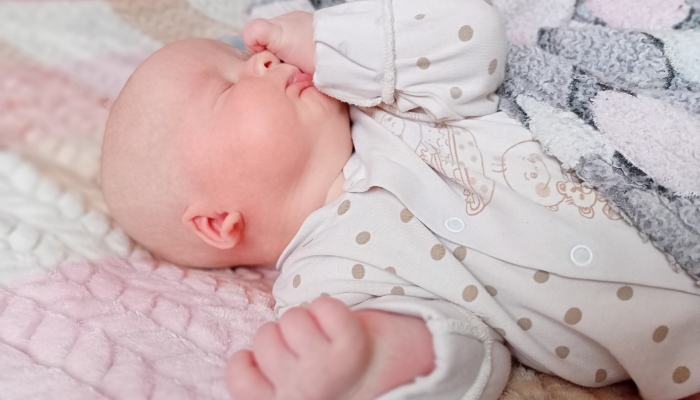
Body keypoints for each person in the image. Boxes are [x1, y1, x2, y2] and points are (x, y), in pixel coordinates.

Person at [100, 1, 700, 399]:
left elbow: (476, 37)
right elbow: (470, 355)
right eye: (228, 85)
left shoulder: (382, 97)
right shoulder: (323, 282)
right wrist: (371, 360)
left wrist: (339, 44)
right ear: (217, 222)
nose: (259, 58)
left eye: (241, 54)